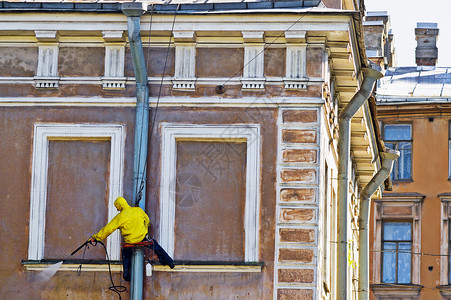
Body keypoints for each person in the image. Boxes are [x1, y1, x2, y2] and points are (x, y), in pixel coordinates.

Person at [90, 196, 150, 282]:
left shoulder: (120, 216)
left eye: (117, 207)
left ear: (119, 205)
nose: (117, 210)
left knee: (126, 253)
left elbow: (107, 229)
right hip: (142, 238)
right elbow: (148, 221)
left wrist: (96, 237)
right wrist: (144, 229)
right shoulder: (138, 210)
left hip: (130, 241)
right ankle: (168, 261)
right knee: (157, 247)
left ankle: (126, 272)